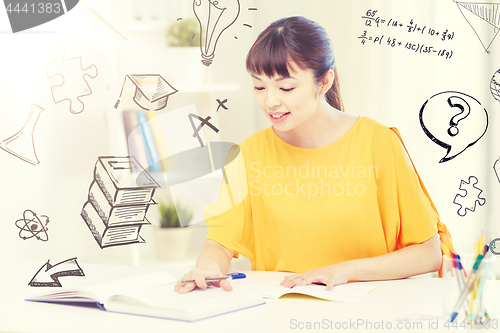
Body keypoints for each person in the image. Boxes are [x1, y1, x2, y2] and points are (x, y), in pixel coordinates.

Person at [175, 16, 452, 294]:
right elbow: (220, 243)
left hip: (369, 311)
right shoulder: (248, 155)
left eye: (286, 88)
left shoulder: (378, 143)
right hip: (280, 310)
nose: (270, 101)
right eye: (259, 86)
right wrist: (209, 269)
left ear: (324, 81)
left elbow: (429, 253)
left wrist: (344, 271)